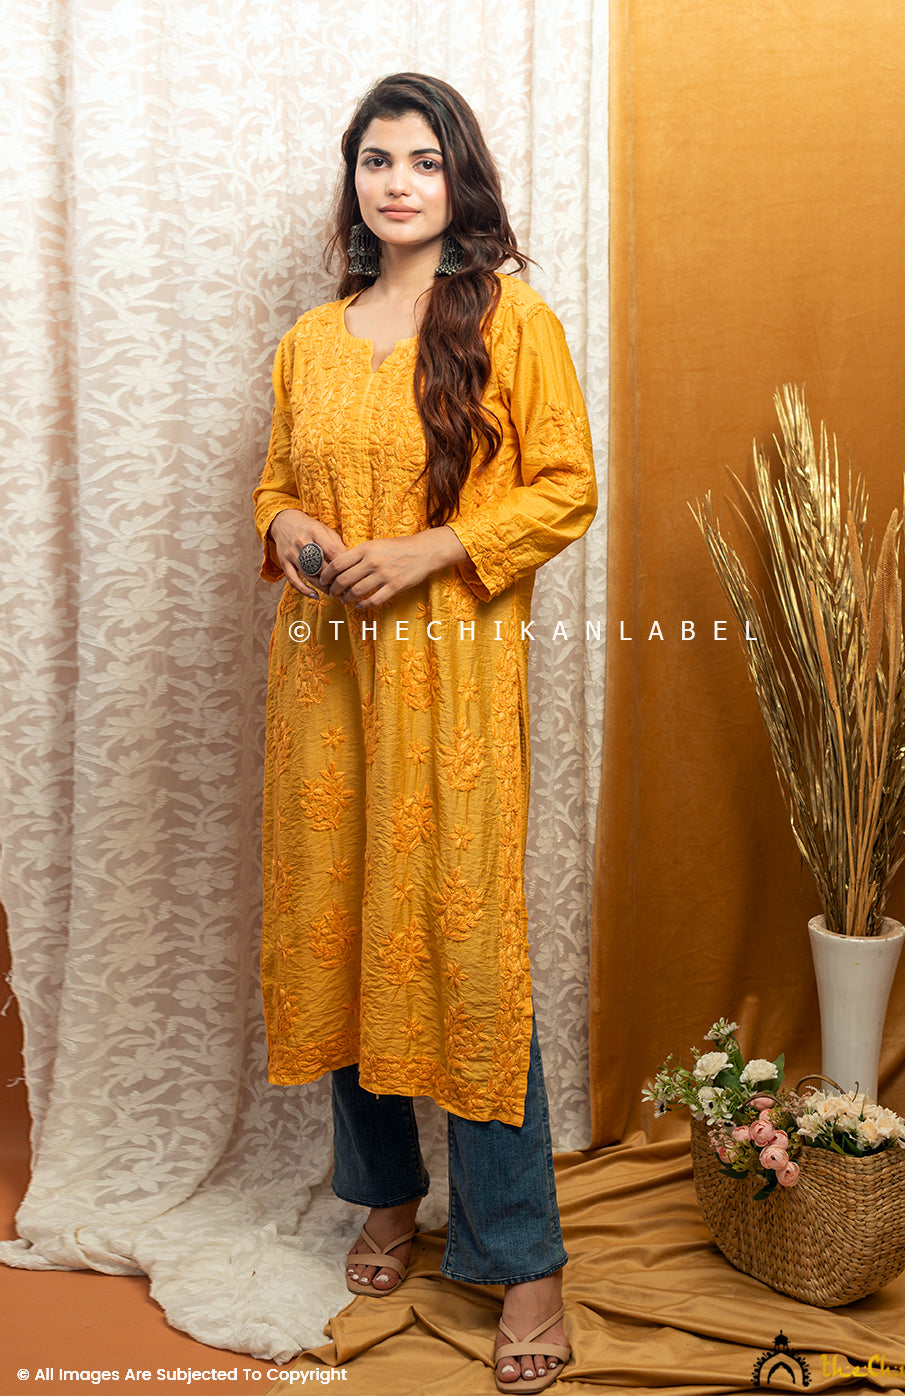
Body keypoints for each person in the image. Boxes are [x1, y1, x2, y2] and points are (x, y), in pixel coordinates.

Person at [252, 73, 597, 1393]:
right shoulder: (309, 339)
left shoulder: (509, 322)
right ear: (354, 182)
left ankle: (524, 1261)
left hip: (447, 692)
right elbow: (280, 482)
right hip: (324, 689)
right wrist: (285, 530)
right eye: (376, 159)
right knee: (339, 936)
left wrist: (434, 548)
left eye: (424, 160)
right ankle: (384, 1197)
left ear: (461, 183)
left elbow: (567, 487)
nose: (397, 181)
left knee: (462, 952)